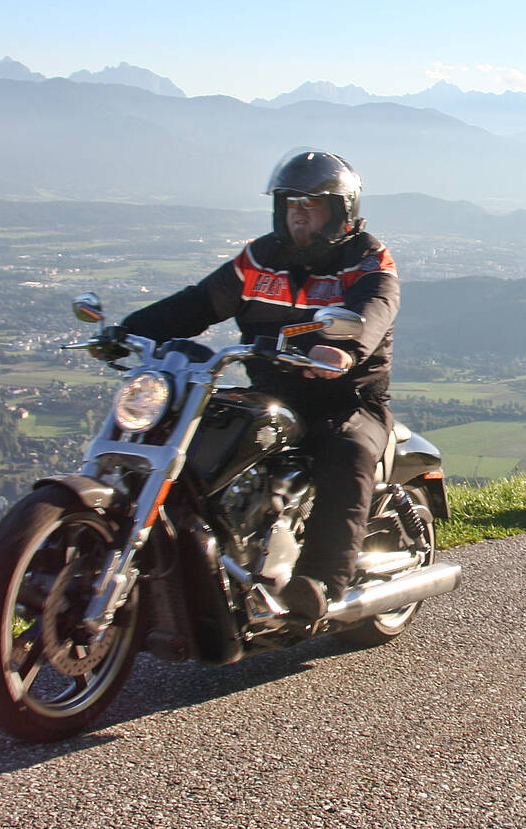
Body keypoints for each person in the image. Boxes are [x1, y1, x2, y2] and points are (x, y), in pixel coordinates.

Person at [96, 149, 398, 623]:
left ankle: (319, 583)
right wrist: (128, 330)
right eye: (290, 205)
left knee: (347, 450)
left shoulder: (365, 258)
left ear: (343, 211)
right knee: (201, 438)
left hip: (345, 397)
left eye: (312, 205)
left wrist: (344, 348)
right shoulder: (260, 258)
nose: (299, 216)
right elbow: (198, 303)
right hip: (274, 393)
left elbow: (375, 306)